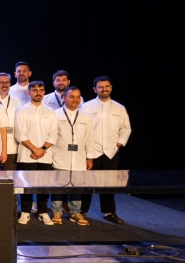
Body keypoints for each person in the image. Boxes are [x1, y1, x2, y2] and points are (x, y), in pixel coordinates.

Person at [79, 76, 132, 224]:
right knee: (86, 184)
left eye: (107, 86)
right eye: (101, 87)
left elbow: (126, 129)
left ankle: (109, 212)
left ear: (111, 88)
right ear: (95, 89)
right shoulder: (86, 107)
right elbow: (81, 130)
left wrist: (118, 145)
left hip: (111, 152)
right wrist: (85, 151)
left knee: (108, 184)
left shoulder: (119, 108)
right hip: (91, 151)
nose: (104, 89)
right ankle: (82, 211)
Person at [14, 81, 58, 225]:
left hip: (45, 156)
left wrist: (42, 150)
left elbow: (53, 134)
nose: (38, 92)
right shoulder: (21, 110)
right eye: (34, 90)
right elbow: (20, 134)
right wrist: (35, 149)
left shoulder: (51, 112)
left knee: (44, 185)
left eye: (41, 90)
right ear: (29, 92)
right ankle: (25, 212)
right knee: (26, 186)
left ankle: (43, 212)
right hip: (27, 155)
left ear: (44, 92)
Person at [51, 86, 94, 226]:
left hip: (79, 158)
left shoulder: (86, 116)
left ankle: (75, 211)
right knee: (58, 186)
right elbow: (51, 137)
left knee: (77, 186)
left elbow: (90, 138)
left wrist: (90, 157)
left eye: (77, 97)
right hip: (60, 156)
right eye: (71, 96)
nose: (75, 100)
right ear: (64, 98)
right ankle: (56, 210)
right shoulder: (55, 115)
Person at [0, 72, 21, 170]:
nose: (4, 85)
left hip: (12, 145)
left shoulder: (17, 101)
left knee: (10, 176)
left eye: (7, 82)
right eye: (1, 82)